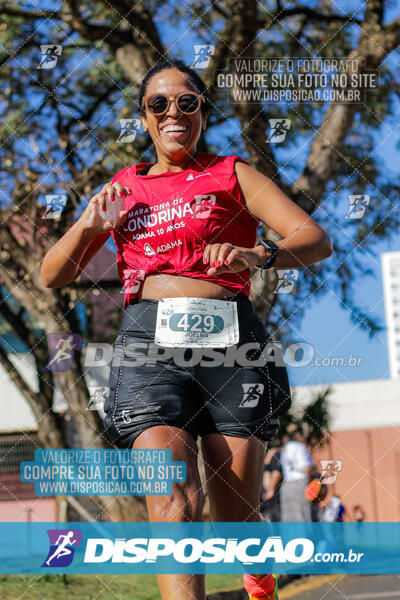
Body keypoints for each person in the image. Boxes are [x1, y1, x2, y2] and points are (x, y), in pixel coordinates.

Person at [40, 59, 332, 600]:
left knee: (233, 516)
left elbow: (314, 239)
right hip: (149, 346)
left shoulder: (232, 172)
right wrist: (88, 225)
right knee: (173, 494)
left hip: (231, 347)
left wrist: (257, 253)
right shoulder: (123, 188)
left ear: (201, 112)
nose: (173, 112)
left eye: (187, 102)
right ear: (145, 117)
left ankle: (257, 571)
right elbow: (52, 273)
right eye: (159, 104)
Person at [280, 424, 318, 523]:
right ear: (297, 434)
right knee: (303, 516)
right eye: (303, 434)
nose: (305, 436)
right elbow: (305, 468)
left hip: (286, 485)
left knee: (288, 519)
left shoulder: (285, 448)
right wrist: (315, 471)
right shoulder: (299, 446)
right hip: (300, 484)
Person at [261, 443, 283, 522]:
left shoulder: (275, 454)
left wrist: (270, 490)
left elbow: (276, 473)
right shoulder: (268, 457)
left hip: (272, 497)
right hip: (266, 496)